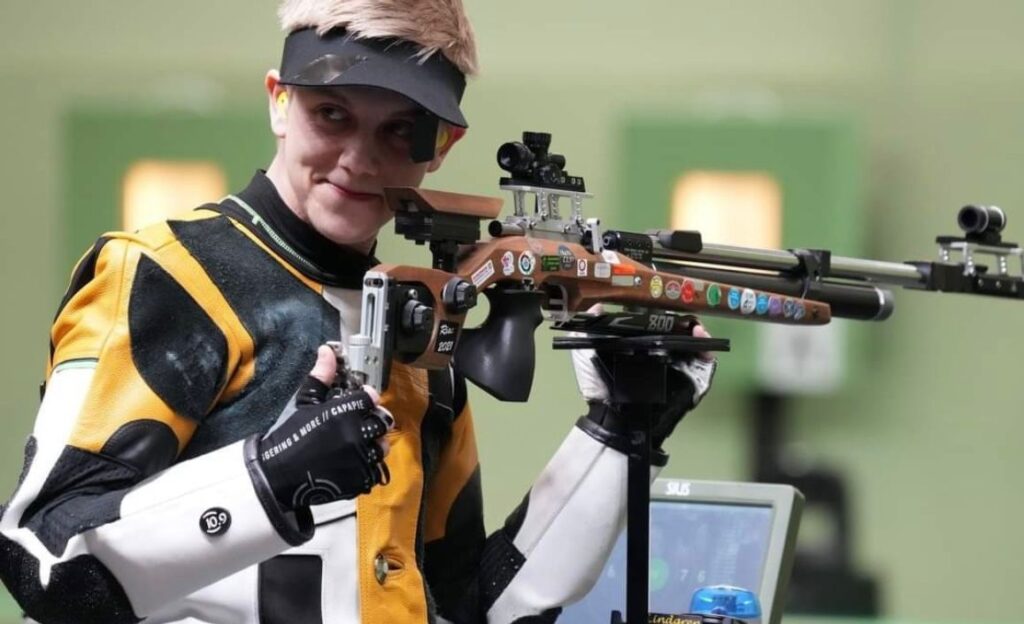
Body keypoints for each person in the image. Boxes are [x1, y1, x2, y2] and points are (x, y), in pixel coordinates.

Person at [0, 1, 717, 622]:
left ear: (445, 144)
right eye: (332, 113)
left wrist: (617, 433)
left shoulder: (419, 315)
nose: (360, 158)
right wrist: (270, 476)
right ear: (278, 100)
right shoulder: (170, 273)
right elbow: (44, 560)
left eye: (402, 131)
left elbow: (473, 603)